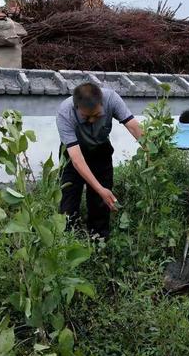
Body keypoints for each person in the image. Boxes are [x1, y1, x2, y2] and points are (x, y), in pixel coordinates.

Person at [56, 82, 142, 239]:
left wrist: (151, 151)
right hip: (73, 153)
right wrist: (100, 189)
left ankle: (98, 240)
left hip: (101, 149)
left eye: (96, 115)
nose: (91, 121)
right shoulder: (64, 113)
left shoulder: (111, 98)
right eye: (85, 117)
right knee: (69, 197)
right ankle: (67, 240)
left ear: (102, 103)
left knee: (101, 203)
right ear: (76, 107)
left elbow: (133, 126)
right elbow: (76, 160)